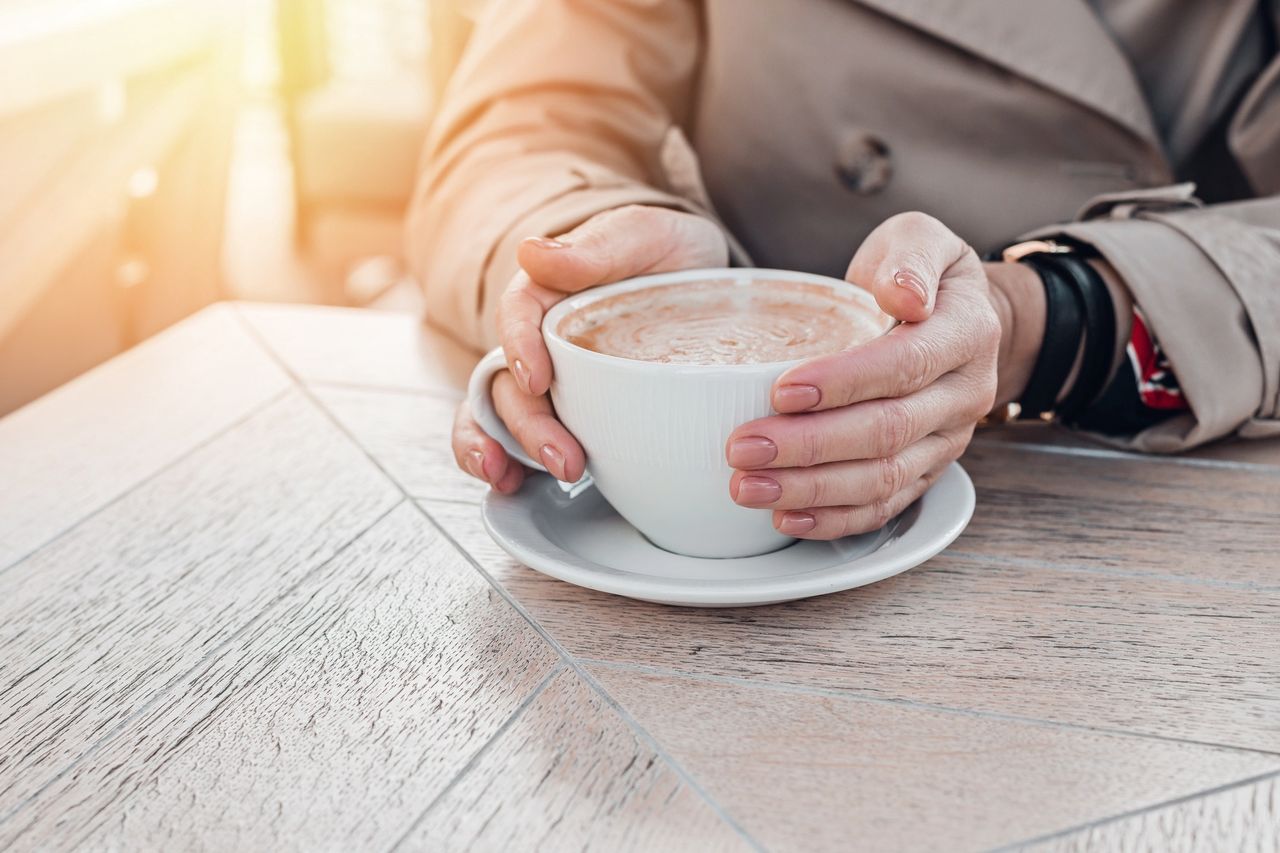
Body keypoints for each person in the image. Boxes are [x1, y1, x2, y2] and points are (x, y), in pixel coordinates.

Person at [410, 0, 1280, 541]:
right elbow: (521, 127)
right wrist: (596, 264)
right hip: (742, 492)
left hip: (1173, 487)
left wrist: (1058, 315)